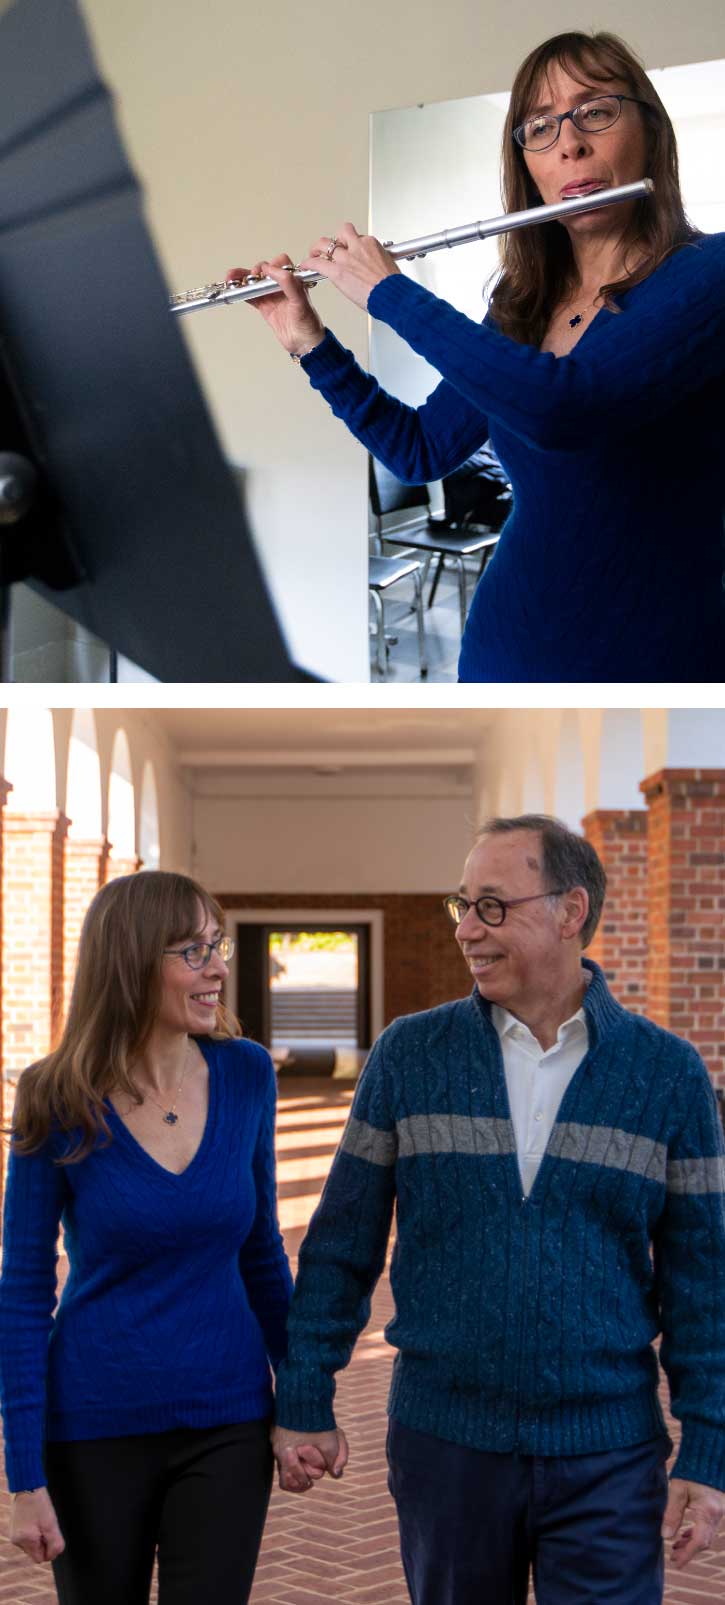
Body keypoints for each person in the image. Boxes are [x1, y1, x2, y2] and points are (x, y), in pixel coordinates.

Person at [270, 816, 725, 1604]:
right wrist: (306, 1392)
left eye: (490, 906)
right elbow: (341, 1244)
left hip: (608, 1454)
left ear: (569, 910)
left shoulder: (666, 1074)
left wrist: (708, 1449)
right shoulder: (410, 1056)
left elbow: (703, 1282)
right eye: (460, 906)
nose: (465, 931)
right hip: (445, 1445)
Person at [231, 30, 725, 683]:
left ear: (650, 130)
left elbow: (564, 409)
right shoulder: (522, 306)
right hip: (501, 651)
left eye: (596, 110)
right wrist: (308, 342)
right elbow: (418, 449)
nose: (569, 142)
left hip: (653, 665)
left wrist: (390, 294)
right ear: (526, 166)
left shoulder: (706, 275)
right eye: (540, 127)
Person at [0, 871, 292, 1605]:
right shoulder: (55, 1096)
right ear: (132, 961)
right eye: (192, 950)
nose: (218, 966)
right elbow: (25, 1289)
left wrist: (305, 1400)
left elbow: (261, 1252)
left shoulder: (246, 1074)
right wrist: (24, 1476)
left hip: (227, 1417)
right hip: (92, 1426)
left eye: (216, 945)